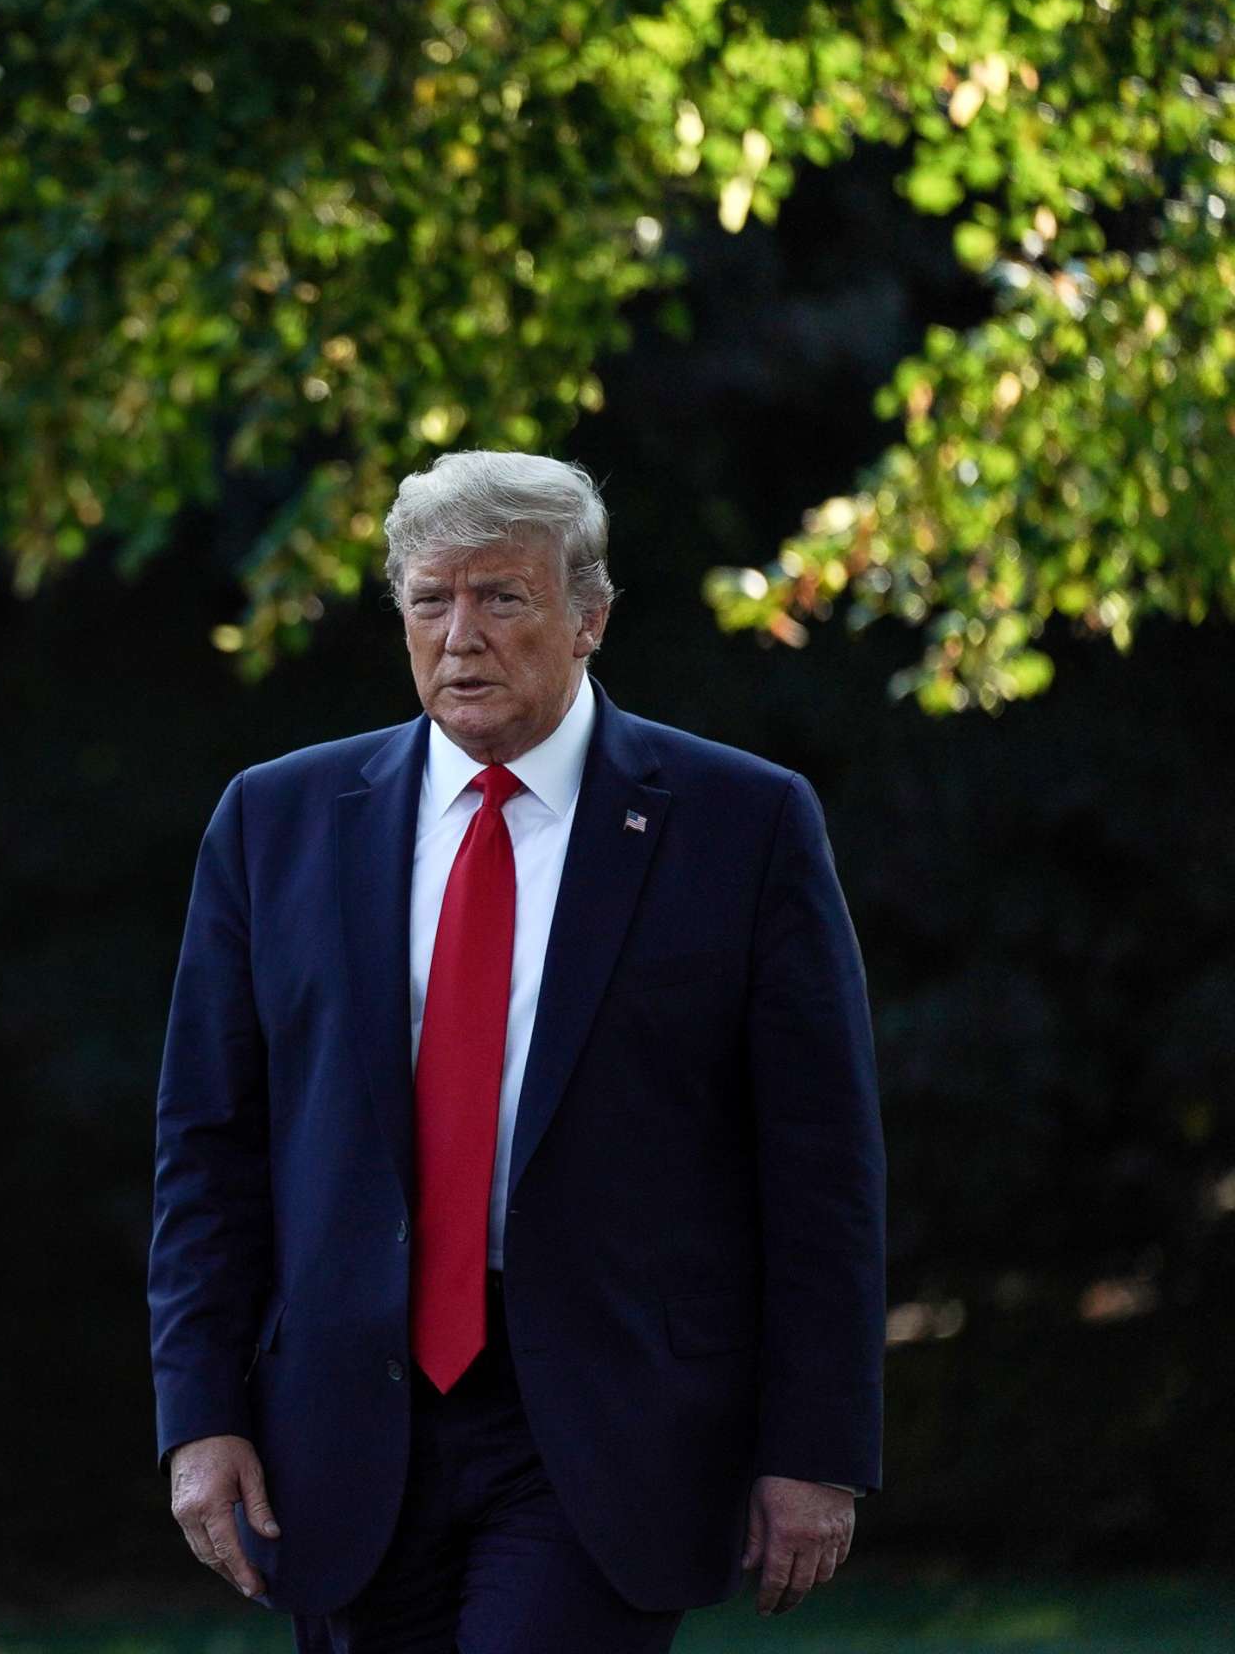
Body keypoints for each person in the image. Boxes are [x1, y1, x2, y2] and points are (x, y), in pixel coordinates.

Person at [145, 451, 885, 1652]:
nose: (461, 637)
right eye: (430, 601)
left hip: (606, 1421)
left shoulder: (740, 825)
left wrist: (817, 1448)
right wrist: (198, 1415)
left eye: (503, 598)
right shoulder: (275, 822)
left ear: (589, 617)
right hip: (343, 1418)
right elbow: (206, 1149)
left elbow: (821, 1168)